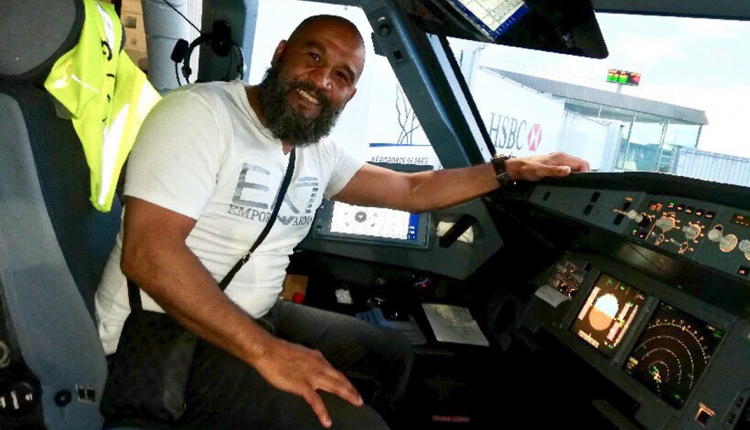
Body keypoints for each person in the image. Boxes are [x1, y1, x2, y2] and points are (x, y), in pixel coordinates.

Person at [95, 14, 590, 430]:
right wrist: (268, 353)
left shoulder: (315, 151)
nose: (322, 81)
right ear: (282, 53)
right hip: (157, 335)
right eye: (312, 57)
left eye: (341, 75)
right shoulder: (200, 115)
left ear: (349, 94)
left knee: (391, 357)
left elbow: (411, 190)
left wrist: (508, 169)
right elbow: (149, 255)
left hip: (251, 318)